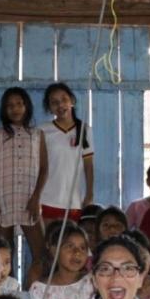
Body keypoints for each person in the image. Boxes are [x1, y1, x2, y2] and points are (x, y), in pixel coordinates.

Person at [0, 87, 48, 268]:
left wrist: (36, 198)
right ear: (4, 110)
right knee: (4, 257)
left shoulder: (37, 135)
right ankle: (8, 294)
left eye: (19, 104)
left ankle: (31, 294)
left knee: (41, 254)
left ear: (26, 106)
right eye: (10, 106)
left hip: (29, 199)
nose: (15, 109)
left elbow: (44, 168)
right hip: (3, 199)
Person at [39, 83, 93, 226]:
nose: (60, 105)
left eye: (64, 99)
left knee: (69, 244)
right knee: (49, 245)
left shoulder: (84, 129)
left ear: (72, 101)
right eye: (54, 102)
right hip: (46, 199)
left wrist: (89, 194)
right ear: (49, 108)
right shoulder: (43, 130)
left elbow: (88, 165)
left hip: (73, 202)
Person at [28, 221, 95, 299]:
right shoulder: (40, 290)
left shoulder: (92, 283)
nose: (77, 252)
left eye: (82, 248)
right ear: (54, 251)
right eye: (70, 246)